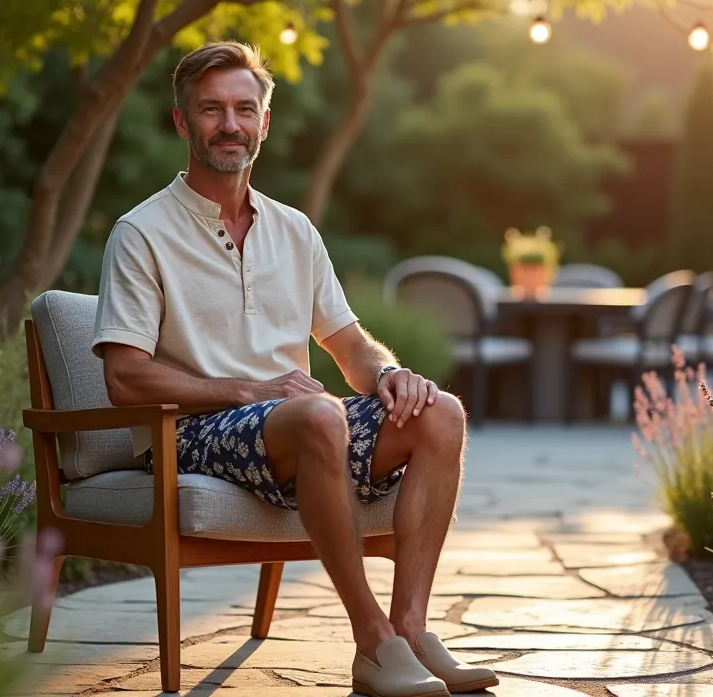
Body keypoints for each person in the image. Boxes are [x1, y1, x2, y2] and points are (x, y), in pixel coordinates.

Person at [91, 40, 497, 697]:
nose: (230, 125)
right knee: (318, 413)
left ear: (264, 122)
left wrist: (391, 374)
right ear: (181, 122)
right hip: (192, 435)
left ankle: (413, 631)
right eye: (211, 109)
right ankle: (373, 642)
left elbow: (349, 344)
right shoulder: (142, 234)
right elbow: (125, 377)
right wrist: (247, 389)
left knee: (440, 412)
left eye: (244, 109)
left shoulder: (295, 231)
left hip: (301, 426)